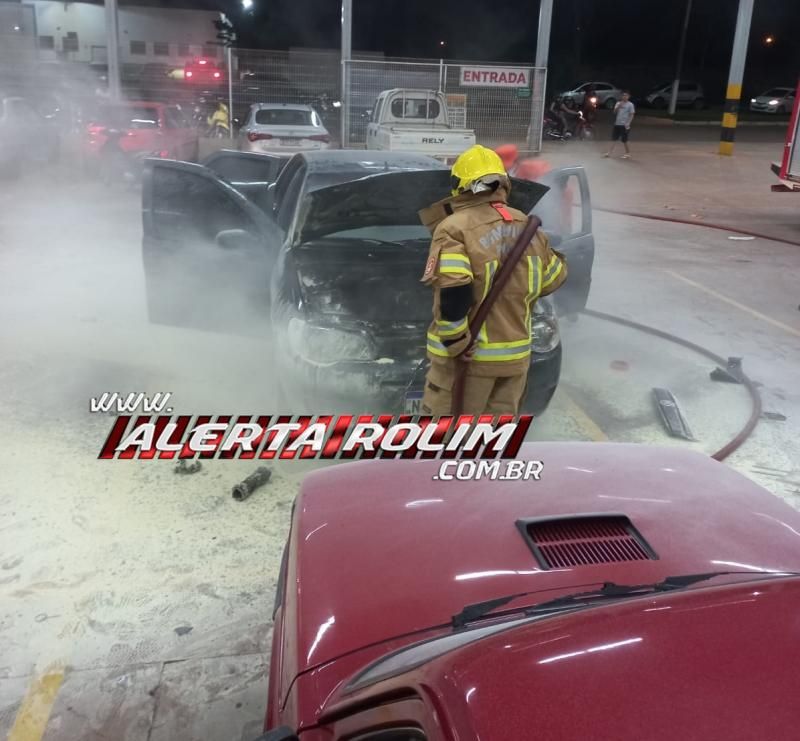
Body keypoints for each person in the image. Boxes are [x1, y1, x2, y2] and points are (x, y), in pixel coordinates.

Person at [417, 145, 568, 415]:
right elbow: (553, 279)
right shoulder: (528, 227)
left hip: (469, 362)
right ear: (504, 183)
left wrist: (455, 342)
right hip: (514, 363)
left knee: (448, 441)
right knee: (494, 439)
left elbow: (455, 289)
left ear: (460, 185)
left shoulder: (454, 227)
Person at [605, 91, 635, 159]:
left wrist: (628, 123)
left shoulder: (630, 104)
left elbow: (632, 114)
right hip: (617, 124)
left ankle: (628, 153)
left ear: (629, 96)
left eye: (626, 95)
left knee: (624, 140)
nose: (624, 97)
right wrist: (618, 106)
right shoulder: (618, 103)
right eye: (623, 95)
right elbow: (614, 112)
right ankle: (609, 153)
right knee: (614, 139)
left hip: (624, 125)